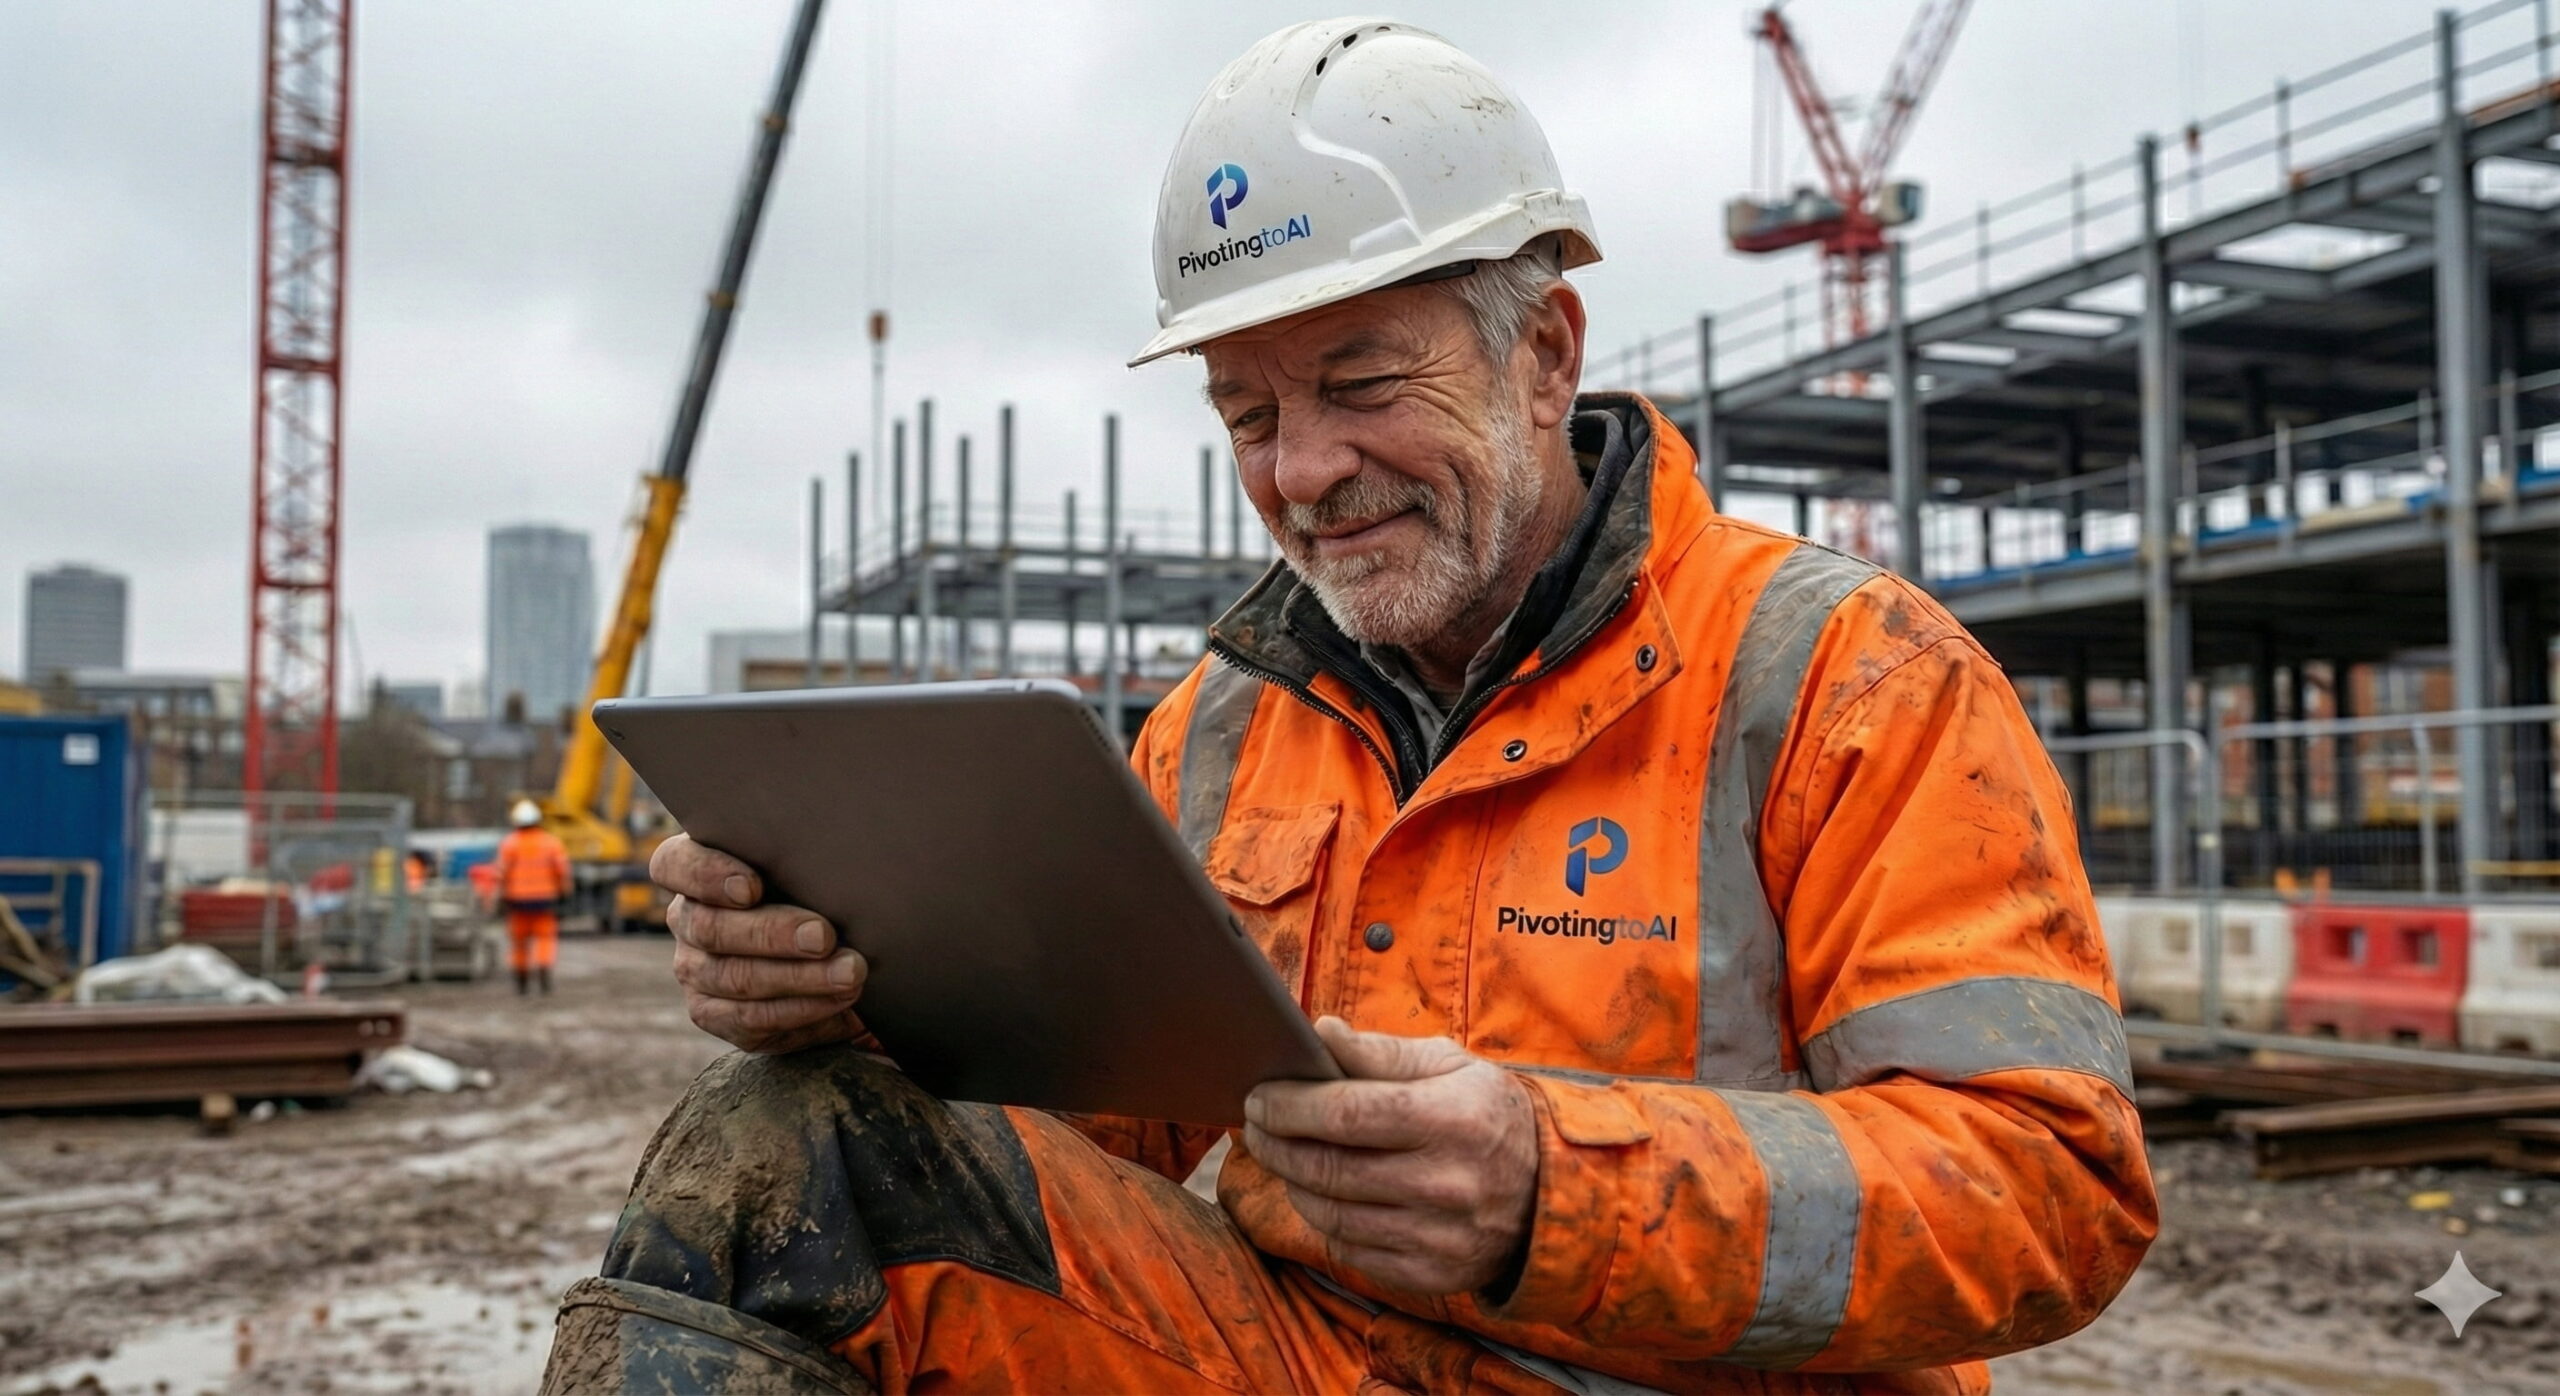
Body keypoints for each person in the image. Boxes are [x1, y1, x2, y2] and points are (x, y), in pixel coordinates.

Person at [544, 19, 2155, 1394]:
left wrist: (1553, 1188)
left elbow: (2052, 1188)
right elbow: (1104, 1140)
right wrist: (848, 1000)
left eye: (1364, 386)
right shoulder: (1227, 729)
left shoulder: (1845, 684)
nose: (1303, 473)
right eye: (1247, 413)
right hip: (1290, 1355)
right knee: (784, 1146)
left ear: (1543, 353)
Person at [495, 799, 569, 997]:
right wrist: (564, 893)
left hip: (517, 901)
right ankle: (544, 973)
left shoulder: (510, 843)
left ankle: (522, 981)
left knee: (519, 943)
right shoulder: (551, 843)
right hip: (544, 901)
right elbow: (562, 871)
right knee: (545, 939)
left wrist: (499, 899)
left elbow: (501, 874)